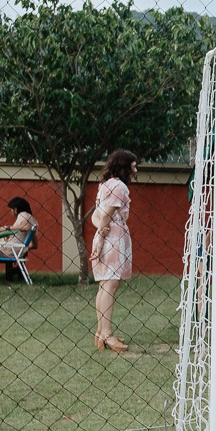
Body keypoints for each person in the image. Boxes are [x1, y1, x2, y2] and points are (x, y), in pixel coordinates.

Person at [90, 149, 137, 353]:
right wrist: (101, 239)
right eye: (133, 165)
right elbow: (106, 215)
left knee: (104, 285)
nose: (136, 169)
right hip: (113, 240)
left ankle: (101, 332)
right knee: (111, 284)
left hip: (107, 237)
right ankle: (107, 334)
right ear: (124, 166)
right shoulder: (119, 186)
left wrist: (100, 232)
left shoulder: (105, 185)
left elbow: (96, 217)